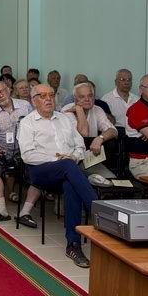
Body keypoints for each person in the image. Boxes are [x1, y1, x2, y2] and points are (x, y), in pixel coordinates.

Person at [18, 84, 96, 268]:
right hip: (41, 171)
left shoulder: (64, 119)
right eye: (43, 96)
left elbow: (80, 145)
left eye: (51, 95)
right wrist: (57, 160)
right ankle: (99, 210)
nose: (48, 99)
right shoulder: (28, 122)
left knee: (71, 185)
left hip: (68, 169)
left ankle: (73, 245)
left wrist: (73, 157)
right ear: (34, 101)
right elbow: (27, 155)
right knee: (68, 167)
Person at [0, 81, 36, 224]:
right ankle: (2, 210)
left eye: (2, 91)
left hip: (26, 150)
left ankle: (25, 212)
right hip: (4, 151)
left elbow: (37, 127)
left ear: (8, 90)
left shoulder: (25, 106)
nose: (0, 95)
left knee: (38, 172)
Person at [61, 83, 118, 178]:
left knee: (110, 179)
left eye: (90, 95)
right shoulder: (66, 110)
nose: (87, 99)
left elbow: (113, 131)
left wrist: (100, 138)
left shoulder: (97, 109)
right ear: (75, 99)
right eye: (82, 97)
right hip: (71, 159)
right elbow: (83, 133)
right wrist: (79, 110)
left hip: (90, 159)